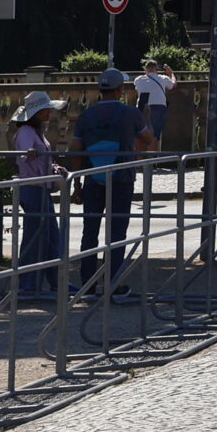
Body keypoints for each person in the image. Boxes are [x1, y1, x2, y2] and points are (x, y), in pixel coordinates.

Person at [71, 67, 151, 290]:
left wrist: (77, 185)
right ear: (120, 90)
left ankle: (87, 281)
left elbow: (76, 152)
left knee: (90, 231)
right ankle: (112, 281)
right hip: (122, 179)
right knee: (117, 233)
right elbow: (149, 139)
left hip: (92, 179)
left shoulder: (86, 116)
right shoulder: (130, 113)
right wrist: (146, 118)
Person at [11, 90, 68, 297]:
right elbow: (27, 154)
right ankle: (28, 284)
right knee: (35, 237)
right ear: (36, 112)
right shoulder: (27, 131)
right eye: (45, 109)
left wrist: (54, 168)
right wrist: (35, 155)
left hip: (40, 186)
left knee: (50, 235)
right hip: (33, 187)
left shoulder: (36, 131)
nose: (49, 113)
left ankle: (53, 281)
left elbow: (38, 157)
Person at [132, 59, 176, 147]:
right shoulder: (163, 78)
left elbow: (137, 88)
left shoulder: (138, 79)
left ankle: (139, 160)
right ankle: (151, 159)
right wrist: (171, 73)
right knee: (154, 135)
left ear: (145, 70)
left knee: (139, 135)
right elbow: (173, 85)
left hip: (142, 107)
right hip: (158, 107)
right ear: (157, 70)